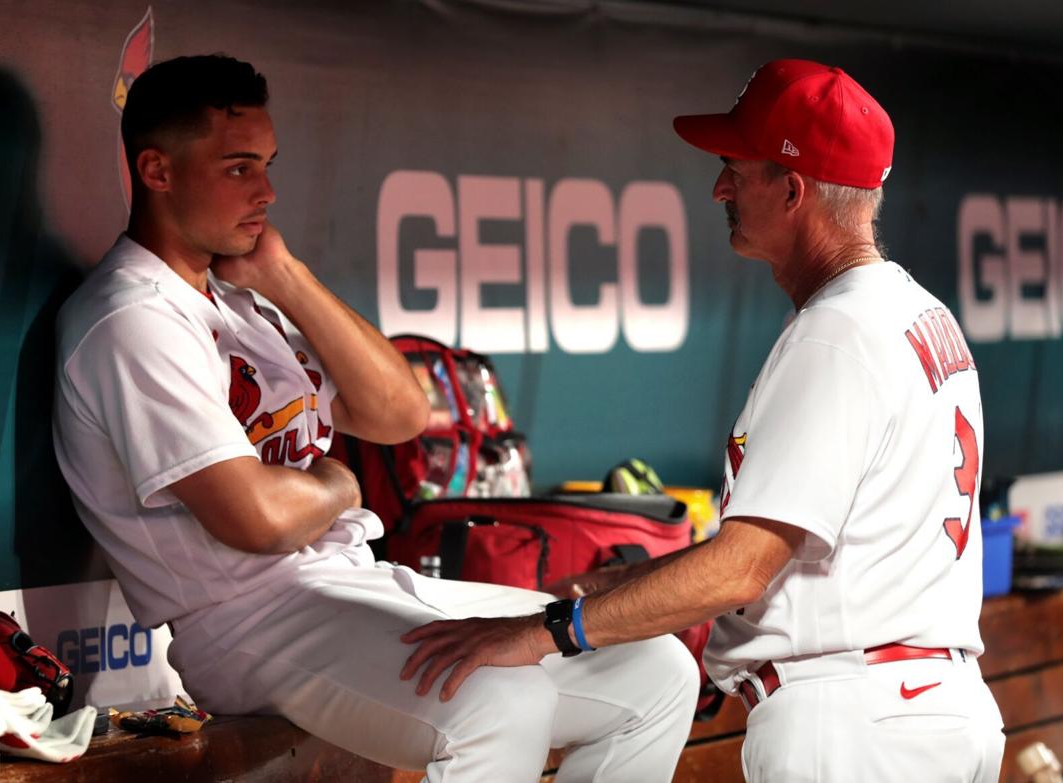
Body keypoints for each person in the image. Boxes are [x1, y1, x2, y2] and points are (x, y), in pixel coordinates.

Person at [52, 54, 697, 782]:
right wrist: (340, 486)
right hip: (248, 620)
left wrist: (283, 275)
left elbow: (400, 413)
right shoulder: (131, 317)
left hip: (351, 583)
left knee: (653, 667)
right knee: (494, 693)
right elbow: (254, 518)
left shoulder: (240, 298)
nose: (266, 189)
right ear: (157, 171)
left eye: (267, 164)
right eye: (238, 168)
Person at [401, 59, 1006, 782]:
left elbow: (743, 567)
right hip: (935, 708)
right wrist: (627, 589)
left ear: (792, 188)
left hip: (856, 726)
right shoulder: (919, 312)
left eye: (735, 168)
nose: (719, 187)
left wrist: (543, 633)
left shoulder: (836, 333)